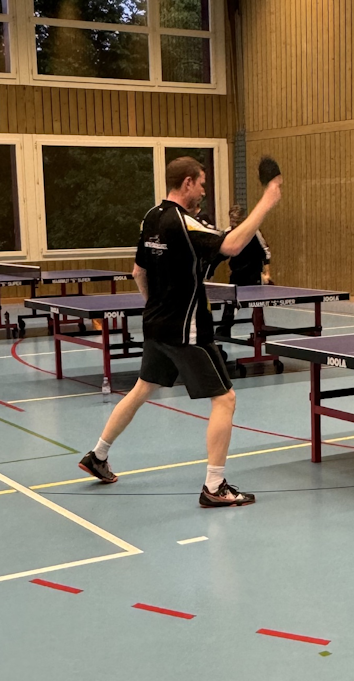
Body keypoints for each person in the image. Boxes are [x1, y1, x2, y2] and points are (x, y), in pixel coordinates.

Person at [77, 156, 283, 507]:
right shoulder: (183, 222)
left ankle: (98, 455)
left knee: (143, 388)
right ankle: (215, 486)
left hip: (156, 323)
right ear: (187, 182)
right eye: (201, 183)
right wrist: (268, 200)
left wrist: (155, 306)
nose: (203, 190)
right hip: (187, 330)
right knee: (225, 399)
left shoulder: (151, 217)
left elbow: (138, 271)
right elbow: (233, 245)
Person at [216, 205, 272, 337]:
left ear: (243, 219)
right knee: (230, 302)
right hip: (236, 273)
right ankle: (224, 331)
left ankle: (260, 331)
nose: (234, 223)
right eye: (232, 220)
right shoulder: (227, 233)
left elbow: (265, 252)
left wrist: (267, 273)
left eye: (237, 220)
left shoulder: (254, 232)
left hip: (253, 273)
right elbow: (220, 254)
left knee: (257, 305)